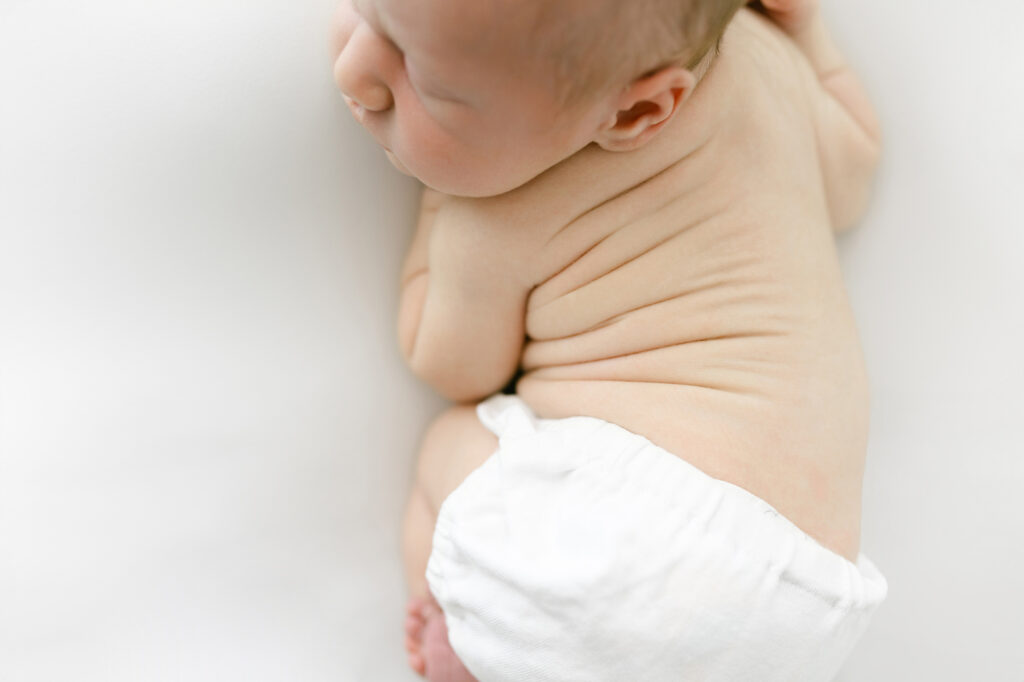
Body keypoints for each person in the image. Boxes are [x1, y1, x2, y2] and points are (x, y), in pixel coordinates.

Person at [330, 0, 888, 679]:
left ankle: (472, 639)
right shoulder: (767, 62)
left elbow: (446, 362)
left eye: (436, 89)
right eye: (368, 14)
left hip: (619, 541)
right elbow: (855, 169)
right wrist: (807, 35)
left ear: (634, 115)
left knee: (448, 444)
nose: (353, 72)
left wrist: (443, 201)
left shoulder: (502, 208)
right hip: (806, 595)